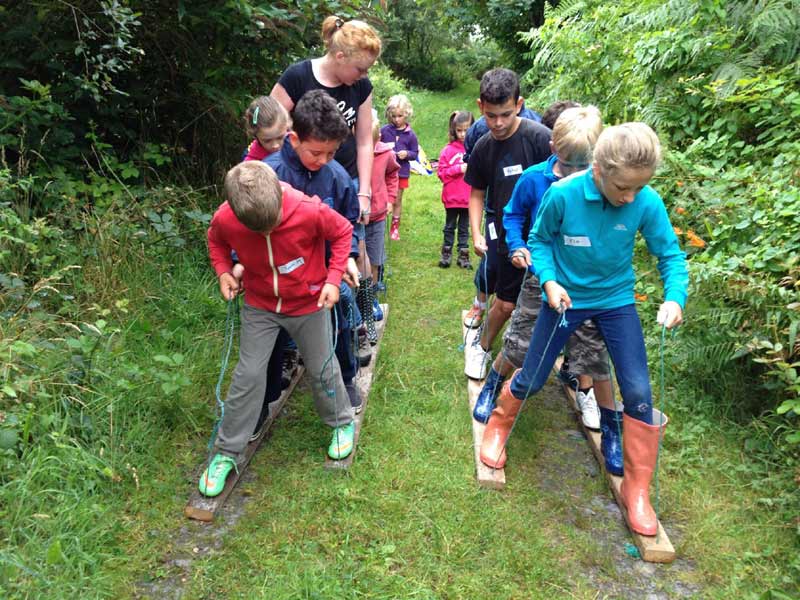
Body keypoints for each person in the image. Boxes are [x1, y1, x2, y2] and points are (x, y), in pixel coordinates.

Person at [480, 123, 688, 536]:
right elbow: (539, 241)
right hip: (564, 298)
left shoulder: (645, 200)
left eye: (638, 188)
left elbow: (670, 255)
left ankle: (638, 490)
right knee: (535, 375)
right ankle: (498, 425)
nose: (630, 197)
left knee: (639, 392)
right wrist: (551, 280)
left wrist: (675, 297)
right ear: (598, 169)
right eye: (623, 187)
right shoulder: (563, 195)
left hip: (616, 302)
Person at [472, 106, 619, 470]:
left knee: (593, 351)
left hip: (587, 284)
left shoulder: (604, 186)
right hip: (541, 278)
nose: (575, 174)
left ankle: (610, 422)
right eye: (569, 165)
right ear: (554, 147)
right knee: (522, 340)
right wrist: (519, 245)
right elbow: (513, 215)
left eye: (583, 167)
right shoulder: (535, 179)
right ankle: (495, 383)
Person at [202, 161, 356, 497]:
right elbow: (215, 240)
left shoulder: (307, 209)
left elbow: (343, 232)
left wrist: (332, 279)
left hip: (309, 303)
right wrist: (224, 272)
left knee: (323, 367)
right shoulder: (225, 217)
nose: (269, 234)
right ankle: (226, 452)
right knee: (248, 375)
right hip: (260, 306)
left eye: (273, 224)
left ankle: (342, 423)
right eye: (260, 231)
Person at [262, 90, 364, 414]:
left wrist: (347, 256)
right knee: (271, 336)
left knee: (342, 311)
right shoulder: (268, 174)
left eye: (332, 153)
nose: (324, 161)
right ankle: (262, 399)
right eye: (316, 153)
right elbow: (243, 222)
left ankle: (346, 378)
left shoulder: (337, 177)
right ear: (293, 139)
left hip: (324, 276)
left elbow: (349, 222)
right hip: (279, 277)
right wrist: (237, 264)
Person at [462, 68, 552, 380]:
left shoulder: (541, 138)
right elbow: (476, 193)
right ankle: (481, 345)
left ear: (519, 103)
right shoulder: (483, 146)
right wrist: (476, 233)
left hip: (544, 233)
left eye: (505, 114)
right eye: (491, 115)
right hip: (502, 229)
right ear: (480, 106)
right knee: (505, 301)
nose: (498, 123)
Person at [270, 16, 381, 227]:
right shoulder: (297, 76)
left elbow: (365, 141)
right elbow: (269, 127)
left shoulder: (362, 86)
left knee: (350, 248)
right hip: (298, 182)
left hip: (346, 181)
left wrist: (364, 193)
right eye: (360, 69)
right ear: (340, 56)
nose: (364, 75)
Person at [437, 110, 474, 269]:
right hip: (452, 198)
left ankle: (463, 254)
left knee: (465, 228)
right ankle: (446, 253)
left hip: (468, 198)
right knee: (450, 226)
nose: (463, 134)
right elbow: (442, 173)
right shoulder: (448, 150)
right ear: (454, 130)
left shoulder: (475, 149)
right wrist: (458, 169)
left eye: (466, 130)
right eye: (459, 130)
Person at [380, 94, 419, 241]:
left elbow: (415, 154)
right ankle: (380, 224)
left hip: (401, 172)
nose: (397, 119)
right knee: (382, 197)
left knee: (397, 199)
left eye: (400, 116)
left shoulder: (410, 135)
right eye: (394, 116)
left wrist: (407, 154)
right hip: (384, 171)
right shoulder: (384, 131)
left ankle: (395, 227)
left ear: (406, 114)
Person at [242, 96, 290, 162]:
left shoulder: (299, 147)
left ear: (287, 126)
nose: (275, 145)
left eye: (280, 137)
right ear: (255, 136)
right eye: (267, 141)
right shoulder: (251, 162)